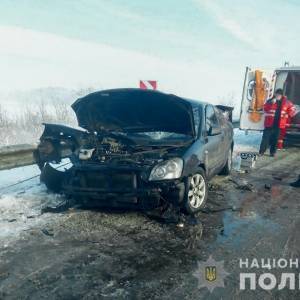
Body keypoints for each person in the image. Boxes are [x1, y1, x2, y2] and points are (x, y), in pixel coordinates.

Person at [259, 89, 296, 157]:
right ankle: (261, 152)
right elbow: (265, 109)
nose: (277, 96)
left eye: (279, 95)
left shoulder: (286, 102)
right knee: (265, 139)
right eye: (276, 94)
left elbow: (293, 109)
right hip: (269, 124)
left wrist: (289, 115)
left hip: (279, 125)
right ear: (275, 94)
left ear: (281, 95)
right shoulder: (270, 101)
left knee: (275, 139)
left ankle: (272, 153)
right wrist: (271, 103)